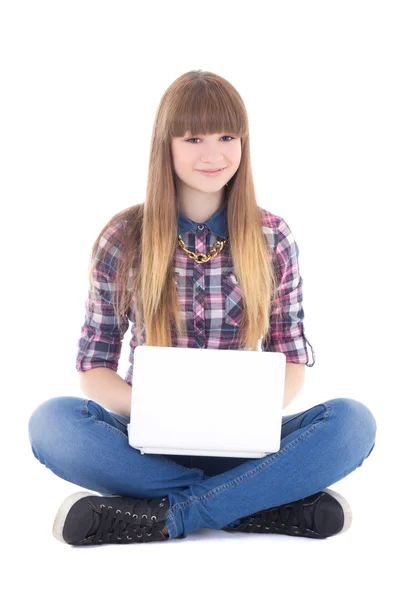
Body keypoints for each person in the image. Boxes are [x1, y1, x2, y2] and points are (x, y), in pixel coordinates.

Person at [28, 69, 377, 546]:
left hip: (245, 443)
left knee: (353, 424)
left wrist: (240, 414)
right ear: (165, 145)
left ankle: (168, 516)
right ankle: (254, 504)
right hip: (146, 444)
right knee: (53, 423)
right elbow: (94, 367)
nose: (213, 154)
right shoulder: (122, 238)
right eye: (193, 138)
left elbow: (290, 358)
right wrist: (160, 411)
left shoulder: (272, 236)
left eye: (227, 136)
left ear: (243, 142)